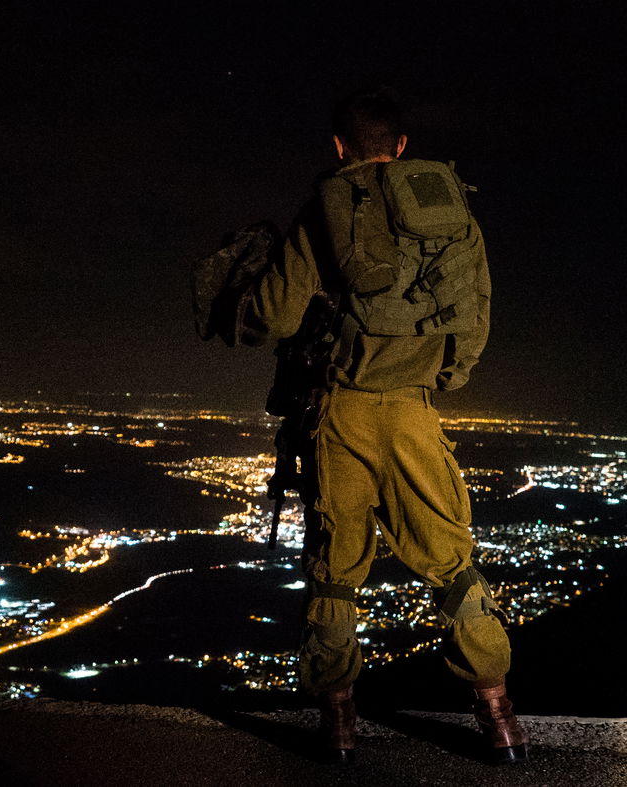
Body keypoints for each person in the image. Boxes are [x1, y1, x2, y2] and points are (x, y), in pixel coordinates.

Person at [240, 89, 527, 764]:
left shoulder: (327, 209)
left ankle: (338, 724)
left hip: (341, 411)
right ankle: (499, 716)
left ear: (338, 148)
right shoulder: (446, 208)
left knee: (337, 567)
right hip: (413, 409)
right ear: (400, 148)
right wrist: (440, 378)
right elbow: (475, 314)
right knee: (451, 562)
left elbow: (276, 315)